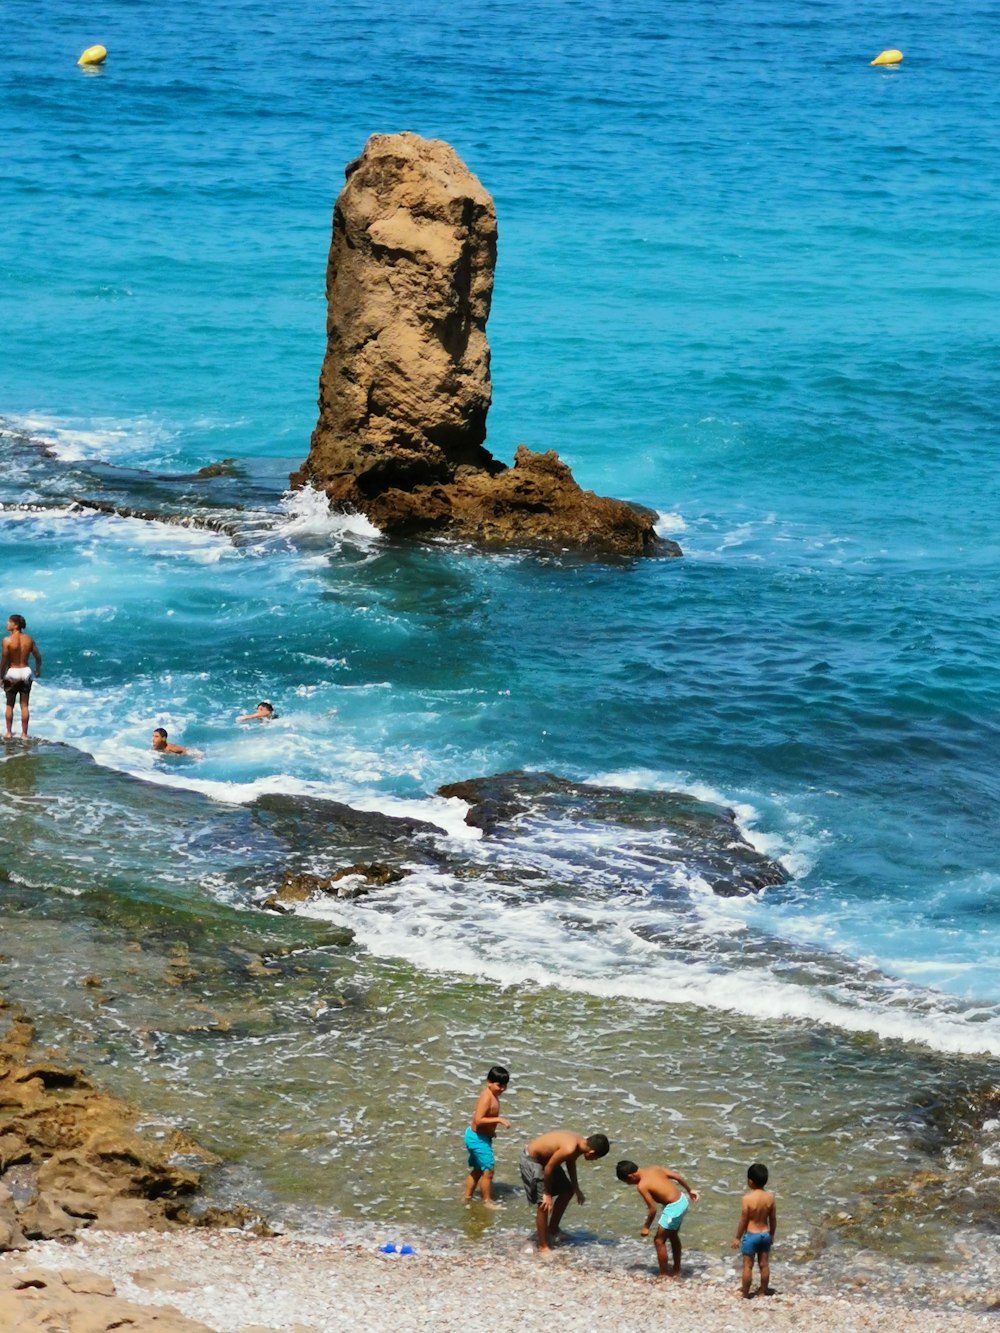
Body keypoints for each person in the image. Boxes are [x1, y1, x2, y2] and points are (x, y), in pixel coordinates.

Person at [519, 1130, 609, 1253]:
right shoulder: (570, 1148)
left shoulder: (580, 1143)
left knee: (568, 1191)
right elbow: (548, 1168)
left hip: (546, 1161)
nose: (595, 1160)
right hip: (532, 1160)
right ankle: (543, 1246)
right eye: (596, 1158)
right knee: (543, 1203)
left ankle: (553, 1229)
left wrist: (576, 1188)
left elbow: (570, 1162)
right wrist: (547, 1193)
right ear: (592, 1152)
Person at [616, 1159, 699, 1278]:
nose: (629, 1184)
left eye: (627, 1182)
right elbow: (677, 1176)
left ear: (631, 1176)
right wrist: (690, 1190)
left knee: (659, 1241)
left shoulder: (642, 1185)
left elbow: (652, 1209)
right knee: (673, 1235)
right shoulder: (655, 1169)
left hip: (674, 1208)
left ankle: (664, 1275)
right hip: (682, 1200)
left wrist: (646, 1227)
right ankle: (676, 1270)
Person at [462, 1065, 511, 1207]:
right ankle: (487, 1201)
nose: (502, 1088)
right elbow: (478, 1119)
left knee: (478, 1170)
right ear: (489, 1082)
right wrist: (498, 1120)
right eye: (499, 1085)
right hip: (477, 1139)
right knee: (488, 1170)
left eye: (505, 1086)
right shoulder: (486, 1097)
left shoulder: (493, 1095)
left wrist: (491, 1132)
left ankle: (467, 1197)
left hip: (480, 1137)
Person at [731, 1161, 776, 1298]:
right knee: (764, 1264)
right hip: (765, 1234)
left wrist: (737, 1237)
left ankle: (745, 1292)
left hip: (751, 1236)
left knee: (747, 1266)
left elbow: (743, 1220)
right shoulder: (770, 1198)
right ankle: (762, 1291)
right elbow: (773, 1219)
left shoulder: (747, 1199)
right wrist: (772, 1234)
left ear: (750, 1181)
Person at [2, 614, 42, 739]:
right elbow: (38, 656)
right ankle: (24, 734)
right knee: (24, 705)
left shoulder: (6, 640)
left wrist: (0, 676)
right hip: (25, 671)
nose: (7, 624)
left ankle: (9, 733)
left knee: (10, 704)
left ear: (16, 625)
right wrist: (37, 669)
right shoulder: (29, 639)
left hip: (13, 672)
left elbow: (4, 661)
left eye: (9, 622)